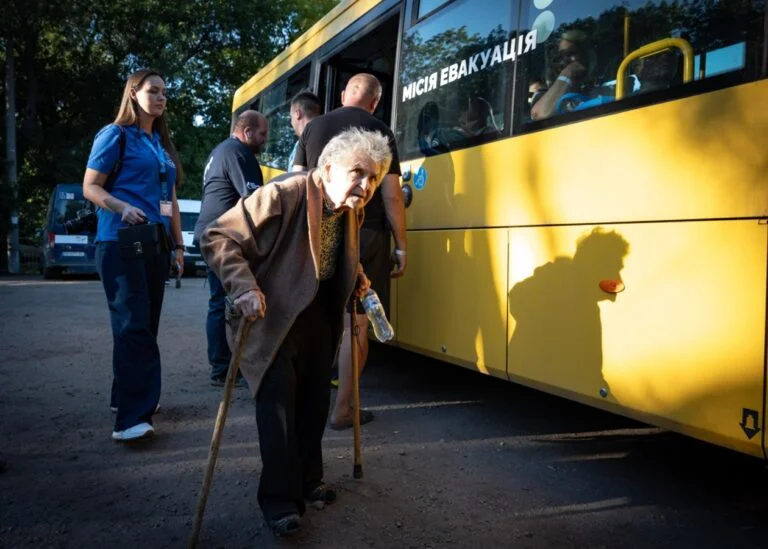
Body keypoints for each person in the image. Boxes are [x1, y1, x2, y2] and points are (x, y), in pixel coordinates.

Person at [200, 127, 392, 536]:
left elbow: (329, 254)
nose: (366, 184)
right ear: (327, 167)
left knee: (312, 402)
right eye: (358, 172)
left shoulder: (351, 208)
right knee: (279, 410)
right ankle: (280, 501)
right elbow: (217, 236)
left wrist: (355, 275)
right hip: (269, 316)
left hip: (319, 313)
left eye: (374, 177)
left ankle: (308, 480)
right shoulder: (285, 193)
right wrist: (243, 286)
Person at [293, 73, 407, 430]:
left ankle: (304, 399)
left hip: (320, 226)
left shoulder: (313, 127)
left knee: (316, 312)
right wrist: (402, 244)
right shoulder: (380, 130)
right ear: (375, 101)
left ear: (343, 95)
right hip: (365, 231)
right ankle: (343, 409)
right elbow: (390, 193)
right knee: (357, 320)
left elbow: (296, 178)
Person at [83, 68, 184, 442]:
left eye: (164, 92)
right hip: (119, 240)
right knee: (133, 325)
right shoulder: (115, 135)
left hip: (154, 241)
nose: (161, 97)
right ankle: (131, 420)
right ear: (133, 93)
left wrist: (178, 245)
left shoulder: (158, 144)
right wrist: (120, 206)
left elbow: (169, 200)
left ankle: (124, 395)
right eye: (153, 91)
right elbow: (90, 187)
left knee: (145, 324)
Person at [194, 110, 269, 386]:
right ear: (247, 132)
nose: (264, 141)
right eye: (262, 134)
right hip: (224, 236)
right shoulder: (239, 152)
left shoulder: (221, 150)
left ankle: (222, 366)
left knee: (219, 302)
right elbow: (255, 201)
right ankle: (224, 369)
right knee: (228, 302)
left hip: (210, 232)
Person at [531, 29, 594, 120]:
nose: (564, 61)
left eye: (571, 53)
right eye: (560, 56)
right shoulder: (544, 94)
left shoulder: (604, 85)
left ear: (585, 55)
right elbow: (539, 115)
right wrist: (568, 73)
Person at [287, 90, 321, 170]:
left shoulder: (301, 144)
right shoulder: (330, 138)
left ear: (297, 114)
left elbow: (296, 178)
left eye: (291, 117)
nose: (291, 122)